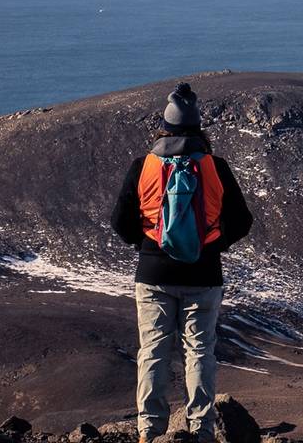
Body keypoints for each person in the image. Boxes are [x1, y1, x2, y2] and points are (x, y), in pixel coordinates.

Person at [110, 83, 254, 443]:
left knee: (154, 351)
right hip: (204, 275)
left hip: (153, 273)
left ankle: (149, 431)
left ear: (164, 127)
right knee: (200, 352)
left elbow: (119, 222)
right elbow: (242, 221)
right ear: (198, 127)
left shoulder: (143, 166)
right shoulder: (215, 167)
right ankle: (202, 430)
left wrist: (146, 245)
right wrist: (214, 245)